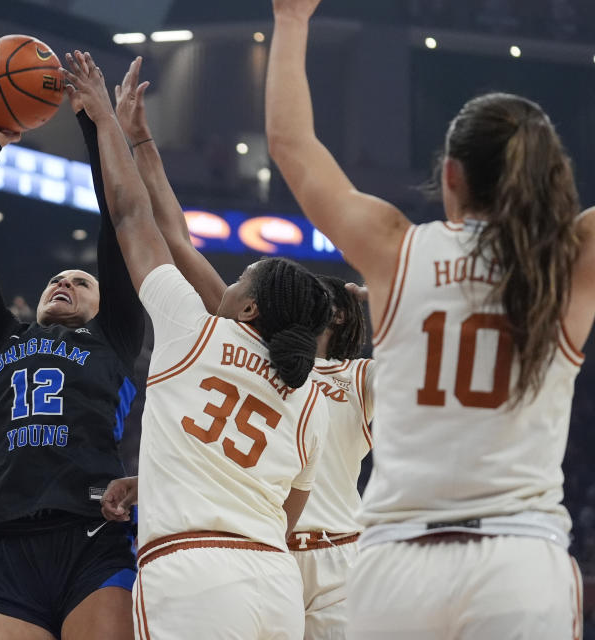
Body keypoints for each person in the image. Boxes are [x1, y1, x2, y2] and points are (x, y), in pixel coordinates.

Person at [265, 1, 595, 637]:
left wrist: (291, 20)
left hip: (396, 565)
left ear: (450, 176)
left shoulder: (395, 247)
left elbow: (291, 146)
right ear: (554, 177)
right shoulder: (571, 260)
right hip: (519, 562)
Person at [64, 51, 332, 640]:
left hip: (193, 573)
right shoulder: (308, 393)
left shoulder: (193, 329)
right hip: (275, 583)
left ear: (250, 308)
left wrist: (105, 118)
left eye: (238, 280)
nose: (225, 281)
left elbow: (135, 216)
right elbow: (284, 514)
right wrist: (140, 140)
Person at [110, 59, 377, 638]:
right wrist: (140, 139)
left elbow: (152, 228)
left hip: (301, 563)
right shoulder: (277, 368)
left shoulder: (349, 378)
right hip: (270, 558)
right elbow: (176, 236)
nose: (229, 287)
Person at [0, 91, 145, 638]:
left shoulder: (115, 336)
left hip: (93, 533)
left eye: (83, 283)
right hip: (7, 540)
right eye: (58, 279)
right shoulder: (0, 337)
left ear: (105, 307)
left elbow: (114, 221)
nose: (65, 282)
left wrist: (89, 123)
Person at [290, 276, 374, 640]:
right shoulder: (258, 362)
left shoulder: (360, 375)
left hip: (337, 555)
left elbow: (422, 364)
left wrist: (395, 301)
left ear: (338, 314)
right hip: (267, 548)